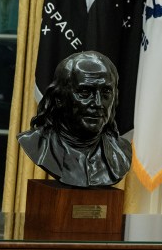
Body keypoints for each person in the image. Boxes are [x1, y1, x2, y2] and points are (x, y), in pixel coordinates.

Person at [18, 50, 132, 187]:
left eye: (106, 92)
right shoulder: (36, 144)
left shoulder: (121, 152)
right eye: (85, 92)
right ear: (59, 98)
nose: (98, 103)